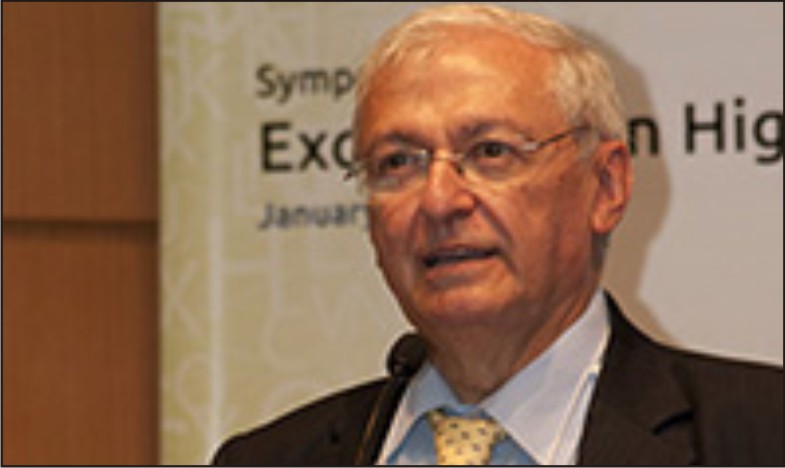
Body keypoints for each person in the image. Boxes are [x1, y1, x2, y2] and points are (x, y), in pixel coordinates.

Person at [212, 4, 783, 465]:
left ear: (606, 186)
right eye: (398, 162)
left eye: (491, 152)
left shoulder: (763, 435)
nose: (439, 200)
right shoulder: (267, 459)